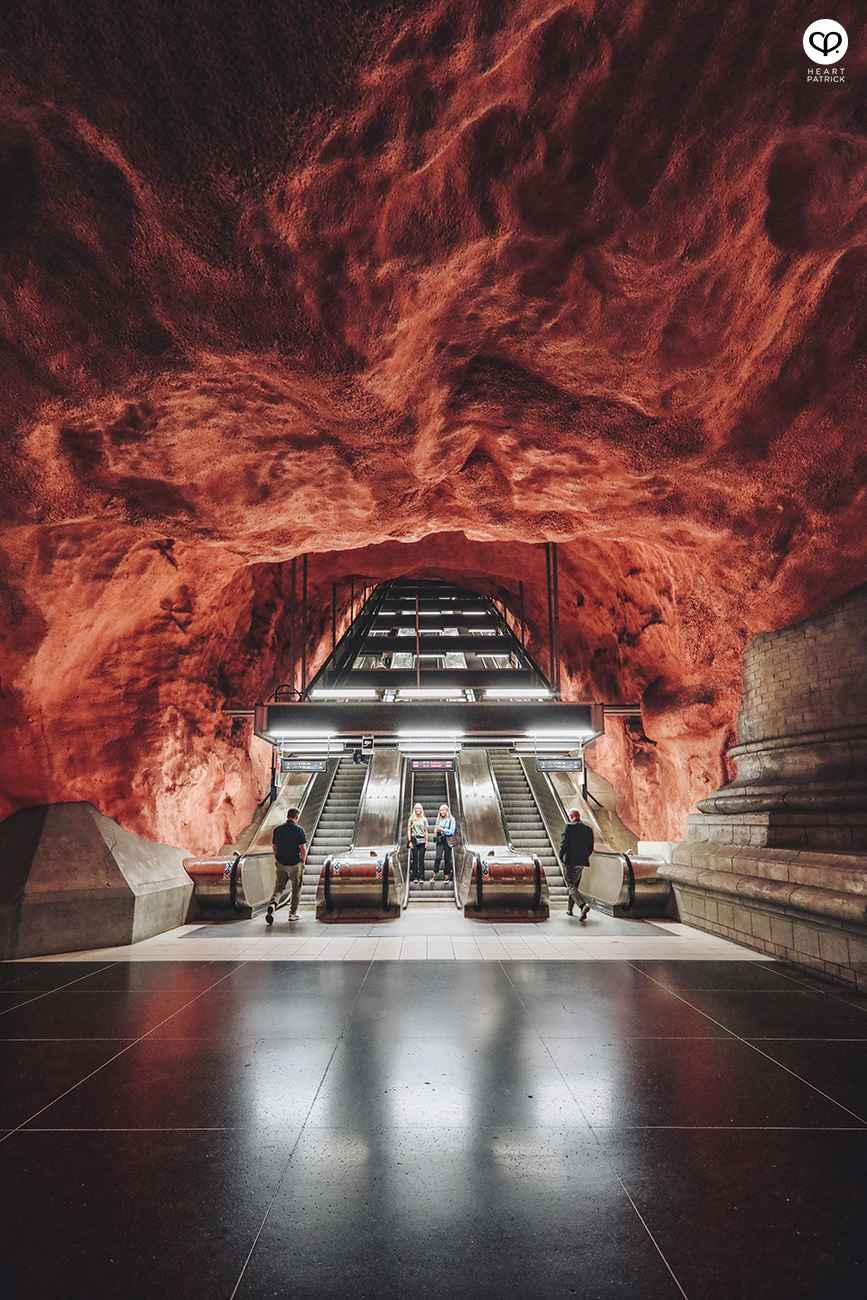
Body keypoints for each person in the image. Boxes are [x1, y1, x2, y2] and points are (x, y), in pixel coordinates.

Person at [266, 807, 307, 924]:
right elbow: (302, 847)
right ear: (296, 817)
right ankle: (292, 914)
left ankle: (273, 905)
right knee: (296, 887)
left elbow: (274, 847)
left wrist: (277, 859)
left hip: (281, 863)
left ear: (287, 816)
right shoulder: (299, 830)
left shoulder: (277, 829)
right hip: (295, 863)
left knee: (279, 887)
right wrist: (303, 861)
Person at [559, 808, 594, 920]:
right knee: (575, 886)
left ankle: (583, 905)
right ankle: (570, 909)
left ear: (571, 816)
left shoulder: (569, 827)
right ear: (579, 815)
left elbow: (564, 844)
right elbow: (590, 848)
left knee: (570, 885)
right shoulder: (588, 829)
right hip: (582, 861)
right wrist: (584, 857)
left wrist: (561, 856)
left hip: (570, 860)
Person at [432, 803, 456, 880]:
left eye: (443, 810)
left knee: (447, 858)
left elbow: (452, 831)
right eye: (440, 810)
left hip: (448, 839)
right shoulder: (439, 819)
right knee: (438, 857)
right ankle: (435, 874)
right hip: (440, 838)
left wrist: (442, 830)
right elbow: (435, 827)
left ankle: (447, 875)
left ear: (447, 811)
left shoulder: (451, 819)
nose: (441, 812)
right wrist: (436, 831)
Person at [407, 802, 428, 882]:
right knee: (415, 859)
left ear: (421, 809)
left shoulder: (424, 819)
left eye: (419, 808)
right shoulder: (411, 819)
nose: (418, 810)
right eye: (417, 808)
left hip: (422, 839)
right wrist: (409, 841)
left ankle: (422, 877)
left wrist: (426, 841)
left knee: (421, 859)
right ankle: (415, 877)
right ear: (414, 809)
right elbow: (409, 830)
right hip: (414, 839)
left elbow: (426, 831)